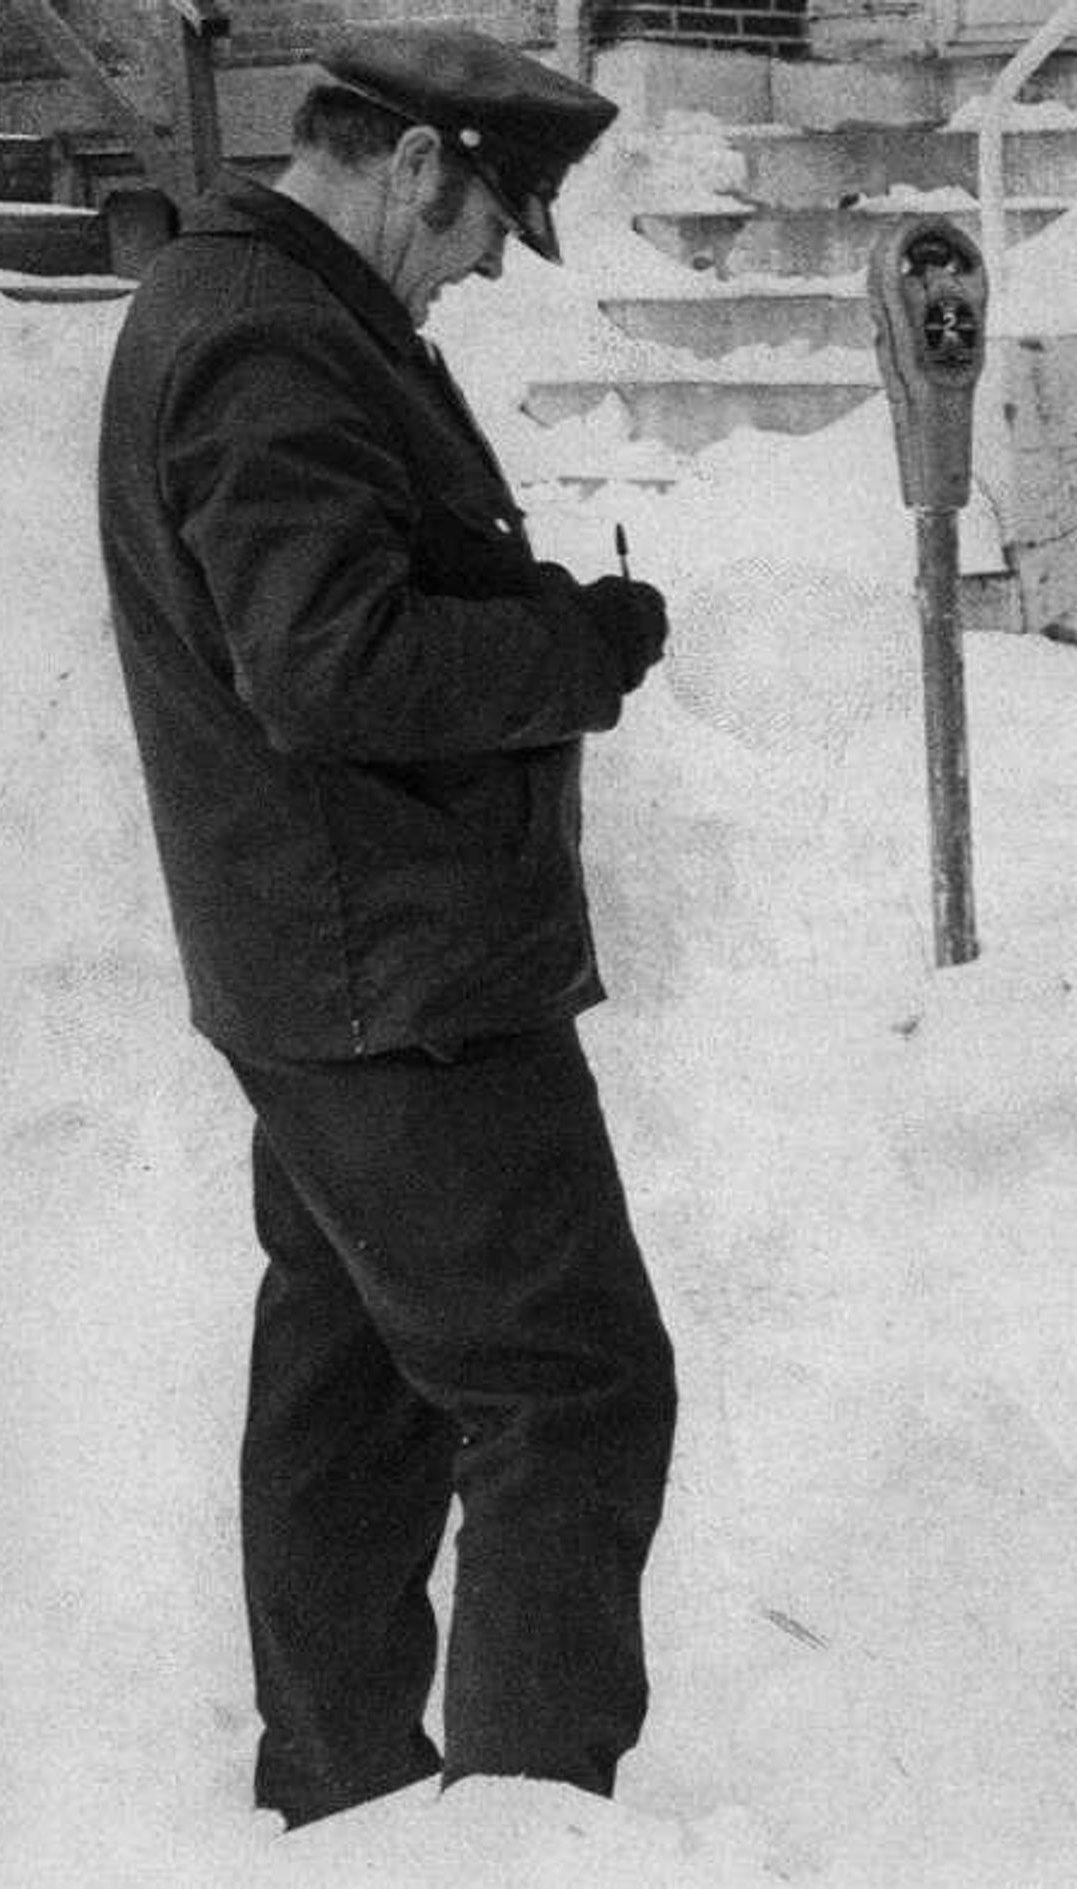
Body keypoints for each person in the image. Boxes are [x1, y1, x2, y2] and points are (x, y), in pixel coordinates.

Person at [92, 26, 677, 1829]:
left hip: (332, 964)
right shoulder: (272, 335)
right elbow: (330, 661)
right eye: (495, 213)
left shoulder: (261, 304)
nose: (496, 258)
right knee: (570, 1387)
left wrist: (514, 599)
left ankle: (341, 1797)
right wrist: (570, 655)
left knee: (358, 1375)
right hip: (395, 981)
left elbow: (342, 591)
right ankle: (524, 1833)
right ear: (413, 163)